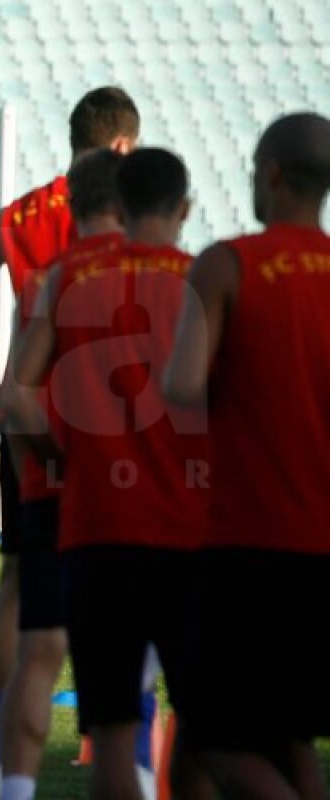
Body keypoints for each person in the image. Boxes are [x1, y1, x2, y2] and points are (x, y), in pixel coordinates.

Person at [0, 87, 140, 796]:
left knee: (20, 586)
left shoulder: (19, 214)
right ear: (121, 146)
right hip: (113, 430)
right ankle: (126, 753)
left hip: (31, 423)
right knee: (127, 591)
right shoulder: (129, 214)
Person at [6, 147, 214, 800]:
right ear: (183, 209)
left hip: (97, 528)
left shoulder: (68, 275)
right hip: (189, 529)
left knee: (114, 732)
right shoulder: (204, 279)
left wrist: (61, 456)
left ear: (115, 205)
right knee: (204, 724)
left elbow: (16, 397)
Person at [164, 112, 330, 798]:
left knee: (214, 735)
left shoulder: (229, 264)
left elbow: (180, 388)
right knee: (290, 739)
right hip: (323, 548)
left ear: (270, 175)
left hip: (245, 542)